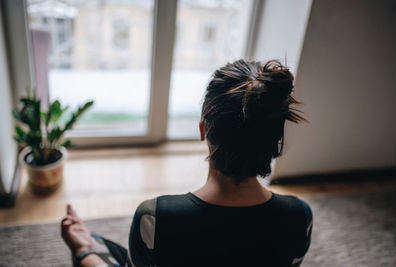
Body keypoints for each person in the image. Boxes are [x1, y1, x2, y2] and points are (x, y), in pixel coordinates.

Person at [61, 59, 313, 267]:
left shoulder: (155, 217)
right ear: (275, 138)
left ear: (204, 130)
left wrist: (83, 251)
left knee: (94, 243)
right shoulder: (299, 216)